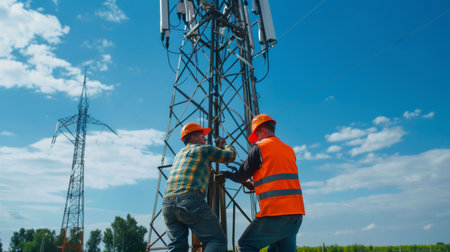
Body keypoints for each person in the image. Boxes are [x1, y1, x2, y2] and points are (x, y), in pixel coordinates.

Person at [222, 114, 305, 252]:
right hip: (295, 215)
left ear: (264, 131)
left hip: (275, 213)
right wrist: (255, 185)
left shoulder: (259, 148)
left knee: (244, 245)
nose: (257, 139)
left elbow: (241, 176)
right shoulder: (288, 149)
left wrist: (229, 175)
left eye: (257, 135)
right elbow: (278, 180)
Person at [162, 122, 236, 252]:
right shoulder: (203, 149)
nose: (205, 138)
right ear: (193, 137)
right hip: (190, 200)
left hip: (167, 204)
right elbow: (230, 156)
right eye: (202, 135)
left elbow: (199, 165)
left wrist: (214, 154)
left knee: (177, 246)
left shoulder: (179, 155)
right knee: (216, 240)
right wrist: (224, 145)